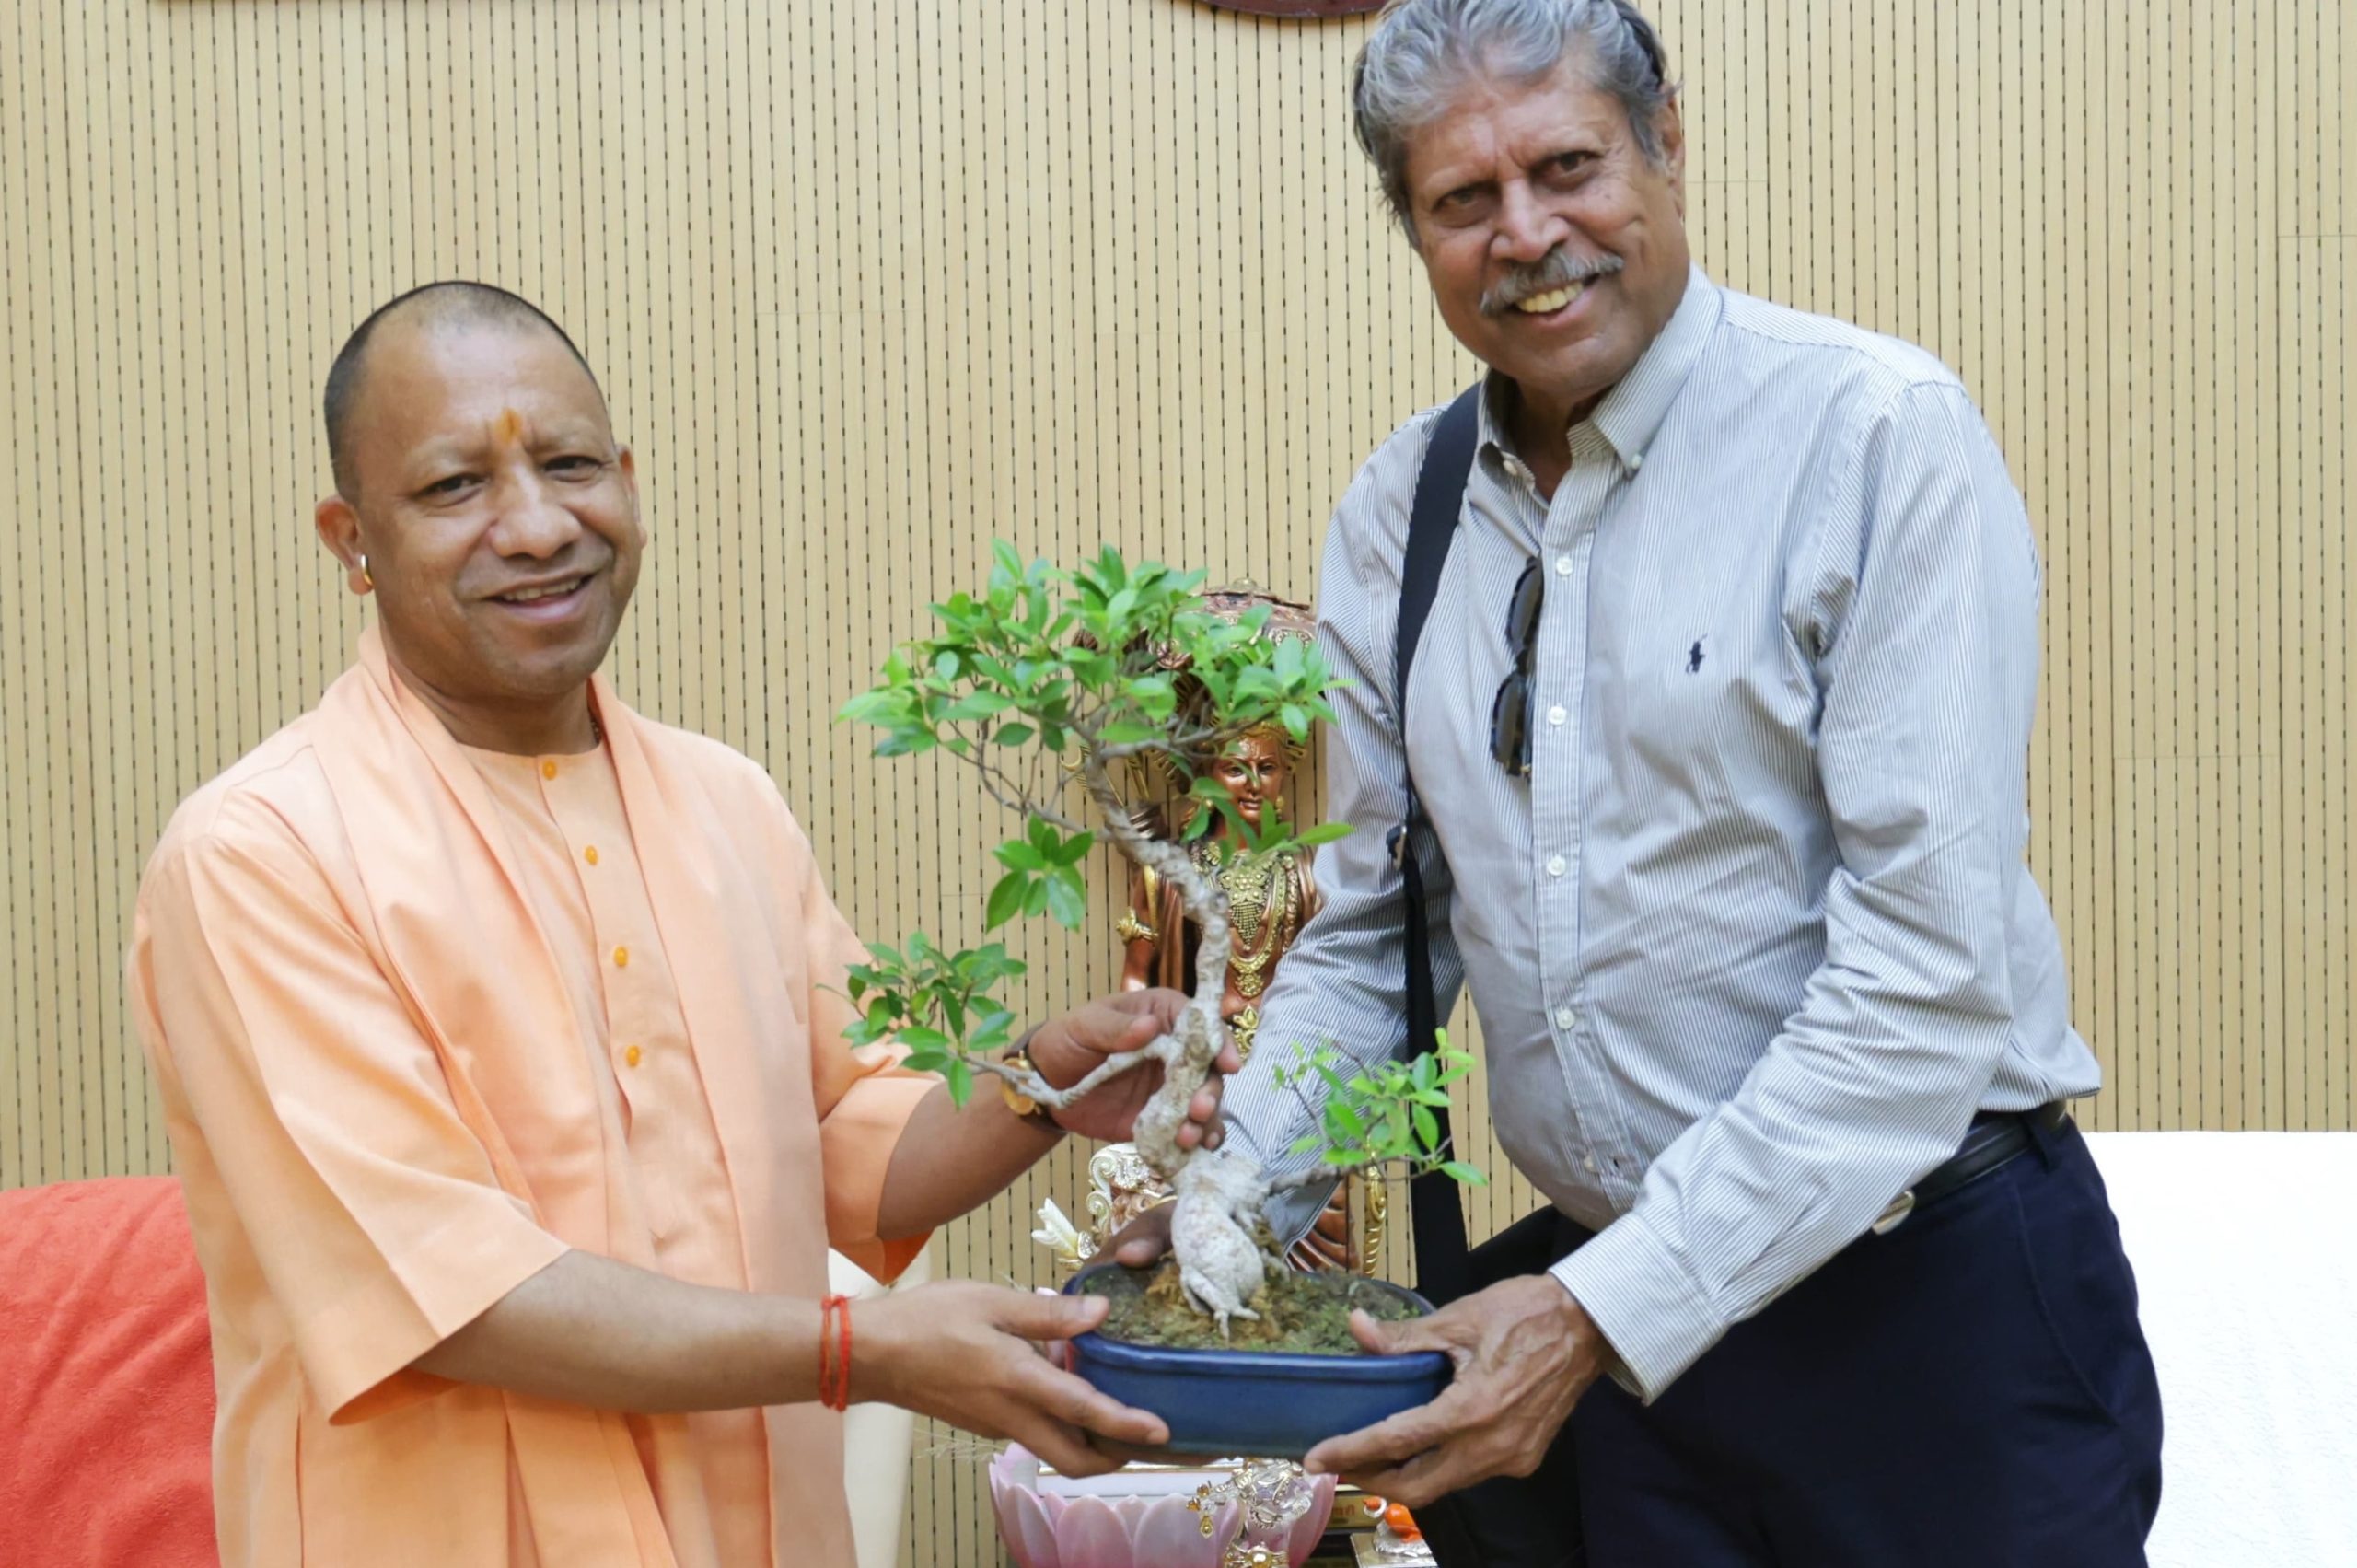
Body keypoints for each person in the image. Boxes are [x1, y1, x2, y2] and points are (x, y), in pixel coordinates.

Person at [1117, 3, 2161, 1563]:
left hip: (1927, 1319)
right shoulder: (1402, 517)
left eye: (1568, 166)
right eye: (1463, 200)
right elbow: (1378, 940)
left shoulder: (1876, 439)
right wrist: (1228, 1216)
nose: (1528, 235)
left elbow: (1925, 986)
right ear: (1413, 227)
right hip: (1620, 1368)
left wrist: (1600, 1315)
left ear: (1666, 142)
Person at [128, 282, 1234, 1568]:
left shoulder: (727, 804)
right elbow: (446, 1294)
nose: (537, 526)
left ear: (632, 481)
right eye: (453, 488)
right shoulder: (260, 854)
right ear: (352, 537)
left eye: (569, 463)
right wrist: (853, 1354)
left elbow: (850, 1153)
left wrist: (1046, 1080)